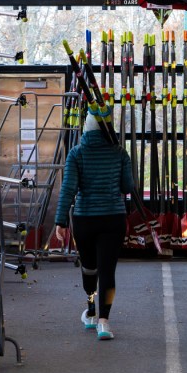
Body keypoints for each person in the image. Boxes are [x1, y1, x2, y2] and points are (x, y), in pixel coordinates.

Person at [55, 114, 134, 340]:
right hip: (113, 218)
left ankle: (90, 311)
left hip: (85, 219)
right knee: (108, 271)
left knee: (90, 269)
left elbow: (68, 189)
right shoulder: (119, 152)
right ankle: (104, 322)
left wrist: (60, 221)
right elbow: (128, 186)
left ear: (85, 129)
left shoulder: (77, 153)